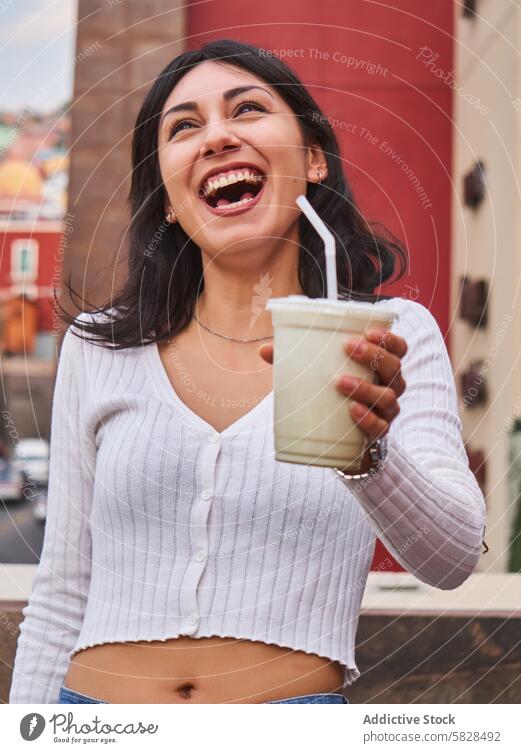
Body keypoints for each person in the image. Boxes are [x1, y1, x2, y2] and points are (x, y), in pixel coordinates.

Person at [9, 39, 486, 704]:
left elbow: (453, 558)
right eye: (184, 126)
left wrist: (367, 455)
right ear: (171, 200)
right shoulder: (98, 347)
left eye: (247, 109)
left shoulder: (392, 338)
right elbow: (62, 589)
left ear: (313, 158)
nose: (217, 137)